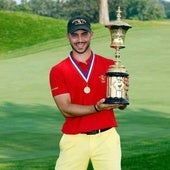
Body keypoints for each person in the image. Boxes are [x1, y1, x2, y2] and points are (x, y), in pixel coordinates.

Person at [49, 15, 129, 170]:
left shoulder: (110, 66)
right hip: (74, 139)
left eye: (84, 34)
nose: (80, 39)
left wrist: (122, 93)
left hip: (107, 138)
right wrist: (97, 108)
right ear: (68, 37)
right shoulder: (58, 70)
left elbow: (122, 106)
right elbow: (66, 109)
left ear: (91, 34)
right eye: (75, 35)